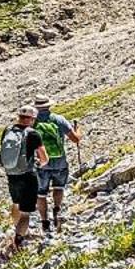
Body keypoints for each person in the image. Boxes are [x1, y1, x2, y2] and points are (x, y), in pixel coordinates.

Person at [0, 104, 48, 255]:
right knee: (26, 213)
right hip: (27, 176)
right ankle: (18, 242)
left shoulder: (7, 131)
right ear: (32, 119)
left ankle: (16, 228)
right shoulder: (33, 134)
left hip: (11, 175)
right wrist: (39, 163)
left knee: (16, 204)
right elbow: (44, 158)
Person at [34, 95, 82, 235]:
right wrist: (78, 130)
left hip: (41, 164)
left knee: (41, 194)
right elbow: (75, 139)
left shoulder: (33, 123)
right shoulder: (59, 119)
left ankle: (44, 222)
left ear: (36, 107)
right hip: (60, 161)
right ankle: (57, 209)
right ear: (49, 106)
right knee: (58, 187)